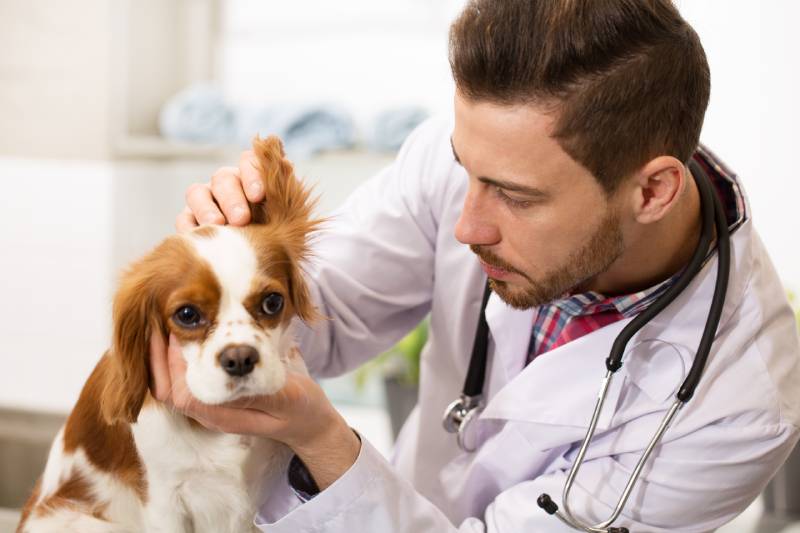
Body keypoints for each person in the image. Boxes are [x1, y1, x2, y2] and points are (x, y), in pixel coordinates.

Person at [150, 1, 800, 531]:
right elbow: (328, 314)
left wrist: (321, 438)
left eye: (516, 197)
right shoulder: (478, 152)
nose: (467, 224)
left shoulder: (740, 406)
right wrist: (245, 268)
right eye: (466, 169)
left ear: (652, 191)